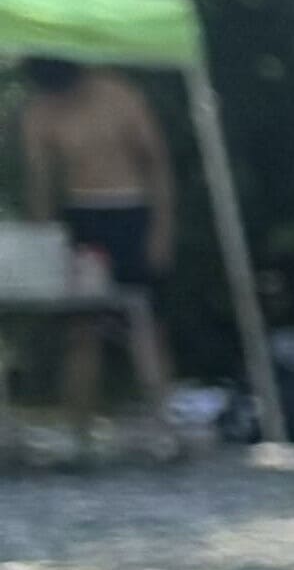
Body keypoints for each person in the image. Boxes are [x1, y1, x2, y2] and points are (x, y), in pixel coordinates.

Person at [15, 56, 177, 417]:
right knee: (81, 325)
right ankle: (79, 424)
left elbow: (156, 163)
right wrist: (40, 242)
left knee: (145, 321)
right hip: (81, 216)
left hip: (129, 210)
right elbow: (40, 181)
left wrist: (161, 230)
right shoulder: (40, 110)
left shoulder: (119, 95)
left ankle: (163, 416)